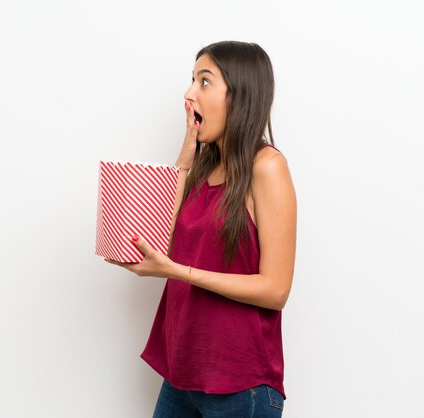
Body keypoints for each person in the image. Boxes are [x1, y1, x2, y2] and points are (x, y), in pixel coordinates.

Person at [106, 40, 297, 418]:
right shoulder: (203, 168)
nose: (190, 93)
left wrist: (176, 272)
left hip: (240, 385)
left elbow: (276, 290)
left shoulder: (267, 167)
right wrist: (185, 156)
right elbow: (160, 235)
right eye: (192, 80)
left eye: (204, 82)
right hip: (182, 374)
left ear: (239, 95)